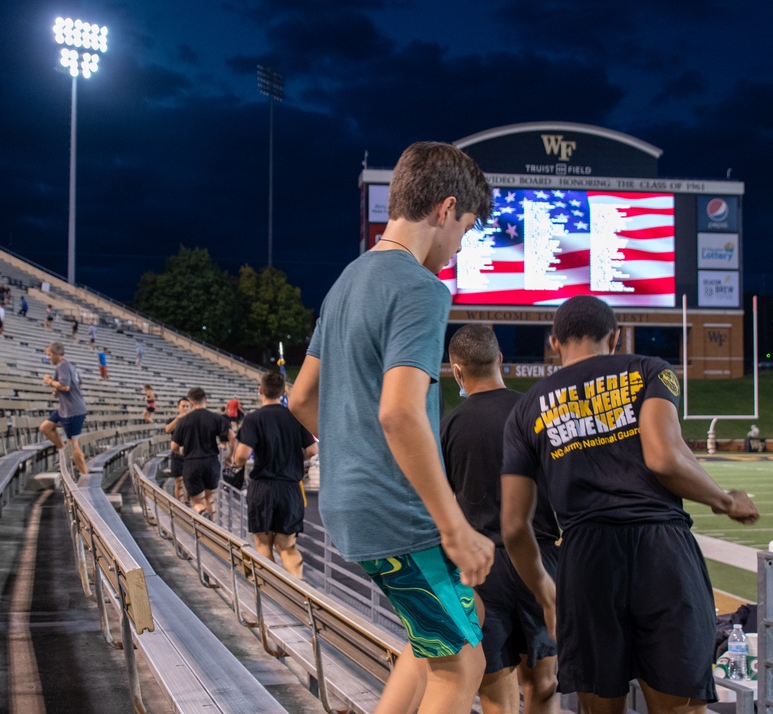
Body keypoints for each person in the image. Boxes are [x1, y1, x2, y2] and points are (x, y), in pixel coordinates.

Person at [289, 141, 495, 714]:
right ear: (444, 209)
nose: (458, 247)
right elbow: (400, 412)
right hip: (397, 515)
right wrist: (453, 526)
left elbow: (302, 398)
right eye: (466, 230)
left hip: (349, 506)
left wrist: (355, 457)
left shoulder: (346, 281)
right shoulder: (420, 288)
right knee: (462, 664)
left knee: (449, 627)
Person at [501, 295, 760, 714]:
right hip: (661, 548)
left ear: (553, 342)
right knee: (678, 705)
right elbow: (664, 457)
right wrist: (724, 500)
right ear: (616, 338)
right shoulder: (648, 370)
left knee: (600, 704)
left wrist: (547, 596)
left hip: (585, 556)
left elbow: (514, 525)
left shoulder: (527, 408)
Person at [440, 325, 559, 714]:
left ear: (457, 370)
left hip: (480, 570)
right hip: (538, 559)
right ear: (500, 360)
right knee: (543, 684)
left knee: (495, 692)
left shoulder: (449, 425)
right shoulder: (536, 414)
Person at [233, 370, 317, 579]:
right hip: (289, 488)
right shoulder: (294, 417)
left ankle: (270, 593)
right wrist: (292, 459)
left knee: (263, 545)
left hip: (263, 488)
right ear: (283, 391)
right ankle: (300, 594)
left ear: (260, 390)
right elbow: (312, 450)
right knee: (287, 547)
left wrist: (236, 462)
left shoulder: (253, 419)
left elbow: (242, 456)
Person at [171, 387, 232, 518]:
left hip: (192, 463)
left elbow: (174, 446)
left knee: (197, 501)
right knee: (209, 498)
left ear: (191, 402)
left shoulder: (184, 421)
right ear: (206, 400)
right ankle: (213, 528)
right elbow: (232, 438)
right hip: (211, 462)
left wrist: (181, 452)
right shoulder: (216, 418)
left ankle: (202, 512)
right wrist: (230, 456)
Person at [39, 341, 89, 476]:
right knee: (45, 427)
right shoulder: (69, 366)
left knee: (74, 444)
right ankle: (63, 450)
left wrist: (49, 381)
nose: (48, 358)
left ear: (56, 354)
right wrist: (57, 390)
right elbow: (77, 385)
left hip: (73, 411)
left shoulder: (62, 366)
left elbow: (65, 386)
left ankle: (85, 475)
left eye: (49, 355)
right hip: (65, 409)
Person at [165, 397, 192, 504]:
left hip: (189, 453)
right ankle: (178, 504)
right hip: (177, 453)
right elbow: (167, 429)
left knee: (189, 481)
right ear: (178, 408)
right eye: (183, 406)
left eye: (187, 406)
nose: (185, 408)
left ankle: (187, 502)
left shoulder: (192, 420)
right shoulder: (173, 420)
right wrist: (178, 419)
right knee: (178, 481)